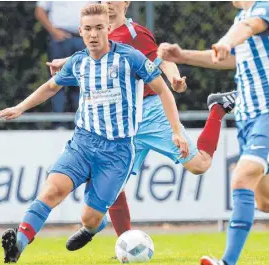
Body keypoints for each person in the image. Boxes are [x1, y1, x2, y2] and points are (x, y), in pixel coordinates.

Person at [0, 4, 188, 263]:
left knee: (90, 218)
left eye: (98, 28)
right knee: (53, 190)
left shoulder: (130, 58)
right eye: (88, 29)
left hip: (117, 152)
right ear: (81, 33)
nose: (93, 34)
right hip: (83, 144)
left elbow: (162, 90)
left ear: (108, 29)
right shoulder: (78, 62)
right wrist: (20, 107)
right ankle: (19, 243)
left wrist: (176, 131)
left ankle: (94, 227)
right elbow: (51, 87)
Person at [47, 1, 237, 245]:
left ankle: (218, 109)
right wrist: (66, 62)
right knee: (112, 184)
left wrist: (174, 77)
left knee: (200, 164)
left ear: (126, 3)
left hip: (150, 113)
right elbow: (89, 58)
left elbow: (161, 58)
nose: (106, 3)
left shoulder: (134, 33)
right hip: (122, 120)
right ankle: (126, 244)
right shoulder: (98, 32)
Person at [158, 1, 269, 265]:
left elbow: (247, 28)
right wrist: (182, 56)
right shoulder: (241, 17)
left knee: (242, 177)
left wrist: (227, 41)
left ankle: (227, 262)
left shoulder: (261, 8)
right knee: (264, 200)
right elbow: (230, 58)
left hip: (267, 112)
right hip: (247, 118)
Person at [35, 1, 93, 125]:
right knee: (57, 82)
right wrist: (53, 31)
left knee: (82, 83)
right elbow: (39, 11)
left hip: (83, 39)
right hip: (60, 38)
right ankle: (58, 125)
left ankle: (81, 125)